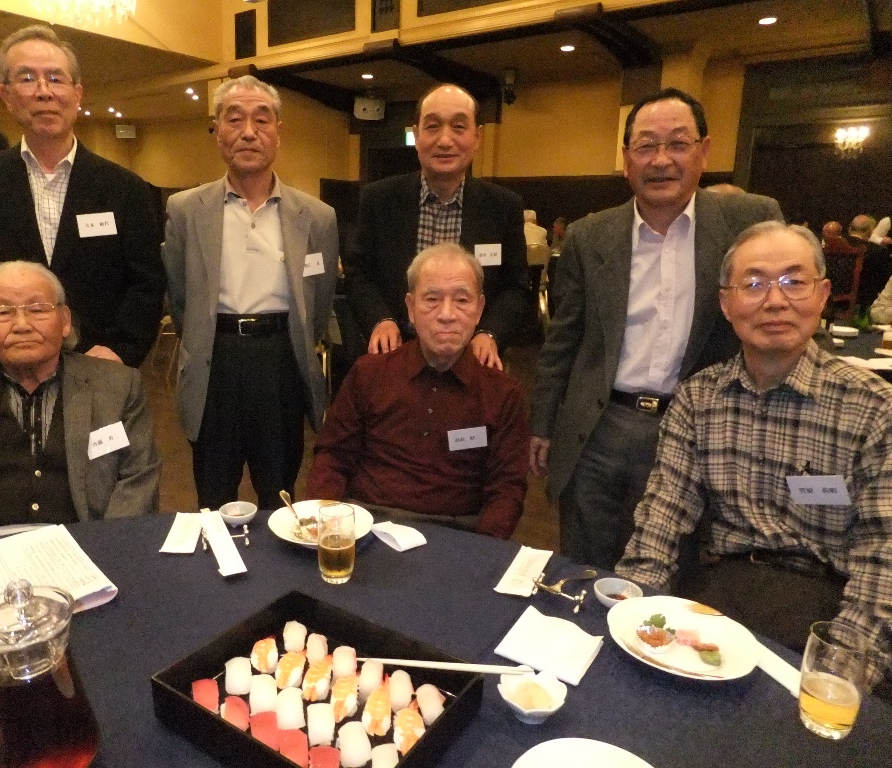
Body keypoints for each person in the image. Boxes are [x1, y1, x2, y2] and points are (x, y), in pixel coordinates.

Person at [616, 222, 892, 693]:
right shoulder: (699, 398)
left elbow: (882, 559)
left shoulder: (873, 407)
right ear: (726, 304)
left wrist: (838, 672)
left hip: (828, 606)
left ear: (823, 294)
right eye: (754, 284)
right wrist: (632, 611)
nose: (775, 301)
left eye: (794, 281)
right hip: (721, 597)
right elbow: (663, 514)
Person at [529, 87, 783, 569]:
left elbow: (778, 315)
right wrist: (542, 423)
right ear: (627, 158)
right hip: (601, 426)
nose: (661, 160)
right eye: (646, 146)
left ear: (704, 151)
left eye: (678, 143)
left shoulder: (748, 222)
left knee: (677, 567)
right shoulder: (589, 235)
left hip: (695, 426)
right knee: (586, 562)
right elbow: (563, 339)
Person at [0, 25, 165, 368]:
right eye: (27, 78)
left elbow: (146, 283)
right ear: (6, 95)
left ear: (77, 93)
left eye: (56, 78)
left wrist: (119, 350)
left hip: (97, 368)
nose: (44, 91)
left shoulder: (125, 188)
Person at [162, 75, 339, 511]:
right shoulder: (185, 210)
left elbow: (319, 302)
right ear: (217, 131)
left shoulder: (317, 216)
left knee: (280, 493)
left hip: (281, 361)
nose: (248, 132)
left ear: (278, 132)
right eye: (234, 119)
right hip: (214, 361)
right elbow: (179, 296)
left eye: (261, 120)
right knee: (212, 495)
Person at [0, 261, 160, 545]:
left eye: (37, 309)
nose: (22, 325)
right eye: (3, 312)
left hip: (87, 545)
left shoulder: (117, 386)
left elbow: (138, 480)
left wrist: (105, 552)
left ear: (65, 321)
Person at [307, 243, 529, 539]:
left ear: (479, 310)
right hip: (368, 527)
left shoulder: (502, 393)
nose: (447, 314)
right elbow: (333, 457)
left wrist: (480, 552)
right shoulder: (370, 374)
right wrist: (327, 527)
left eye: (462, 300)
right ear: (411, 308)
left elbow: (507, 489)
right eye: (432, 299)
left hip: (458, 535)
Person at [344, 83, 529, 371]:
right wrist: (381, 320)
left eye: (458, 127)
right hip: (396, 355)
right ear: (416, 135)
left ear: (477, 136)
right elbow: (358, 275)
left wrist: (490, 333)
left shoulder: (503, 206)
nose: (445, 140)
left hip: (471, 359)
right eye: (432, 126)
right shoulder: (379, 199)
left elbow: (516, 287)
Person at [847, 214, 892, 309]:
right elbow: (885, 281)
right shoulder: (879, 251)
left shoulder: (834, 246)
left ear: (850, 229)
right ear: (870, 232)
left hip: (834, 299)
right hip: (866, 302)